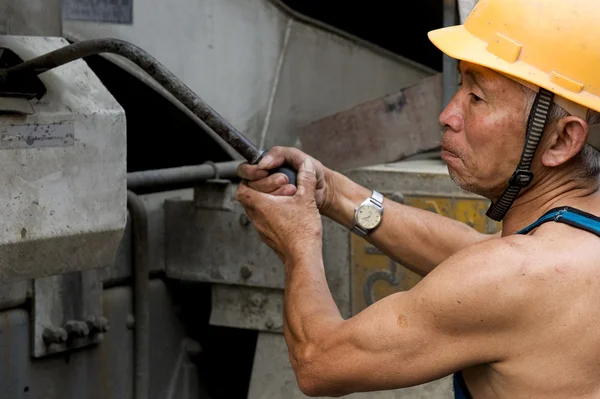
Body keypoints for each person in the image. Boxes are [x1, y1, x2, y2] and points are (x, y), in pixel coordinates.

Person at [235, 0, 600, 397]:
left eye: (477, 98)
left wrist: (298, 242)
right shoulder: (566, 247)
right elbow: (474, 251)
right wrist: (334, 192)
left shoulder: (511, 278)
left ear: (563, 139)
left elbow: (319, 361)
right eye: (460, 85)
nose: (448, 114)